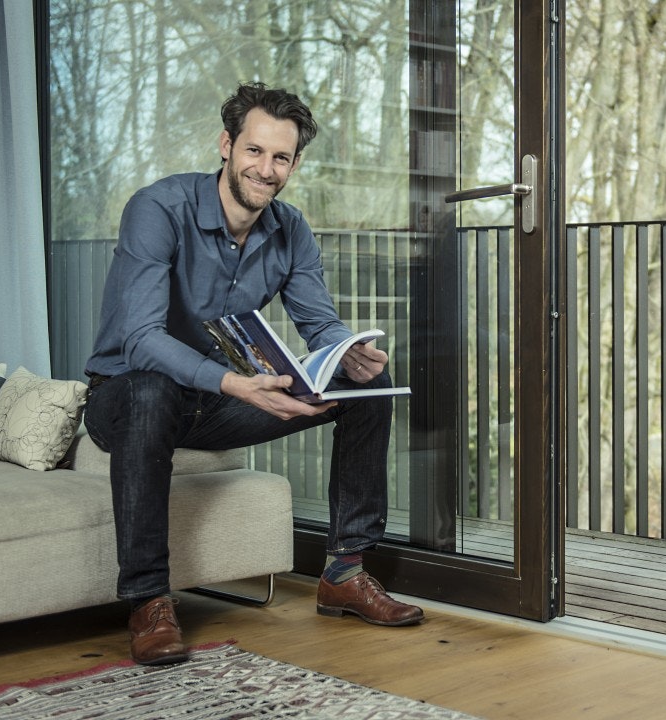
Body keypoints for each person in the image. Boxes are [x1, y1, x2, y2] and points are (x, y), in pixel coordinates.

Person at [82, 81, 423, 667]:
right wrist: (235, 383)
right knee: (151, 390)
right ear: (226, 145)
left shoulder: (291, 230)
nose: (266, 169)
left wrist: (347, 353)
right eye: (254, 151)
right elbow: (140, 340)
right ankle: (147, 600)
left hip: (216, 402)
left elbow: (319, 325)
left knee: (366, 389)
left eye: (281, 157)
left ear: (294, 164)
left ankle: (344, 570)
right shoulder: (158, 209)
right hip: (126, 397)